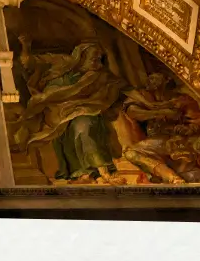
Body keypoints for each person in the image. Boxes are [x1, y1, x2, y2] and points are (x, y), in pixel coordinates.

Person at [11, 38, 124, 183]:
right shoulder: (61, 62)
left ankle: (102, 171)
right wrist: (25, 46)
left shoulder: (95, 76)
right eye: (93, 58)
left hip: (86, 109)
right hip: (56, 111)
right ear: (81, 56)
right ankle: (81, 172)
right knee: (63, 129)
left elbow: (99, 95)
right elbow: (29, 62)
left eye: (99, 59)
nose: (97, 63)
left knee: (83, 126)